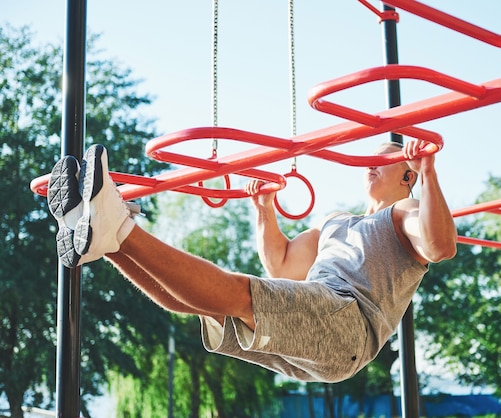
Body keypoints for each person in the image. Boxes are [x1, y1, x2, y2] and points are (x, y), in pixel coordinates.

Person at [47, 139, 457, 383]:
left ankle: (114, 225)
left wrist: (431, 172)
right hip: (326, 321)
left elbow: (440, 247)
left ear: (407, 176)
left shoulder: (405, 212)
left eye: (385, 158)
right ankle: (109, 241)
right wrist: (264, 208)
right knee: (209, 305)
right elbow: (280, 266)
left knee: (237, 293)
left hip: (351, 321)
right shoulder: (337, 221)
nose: (370, 162)